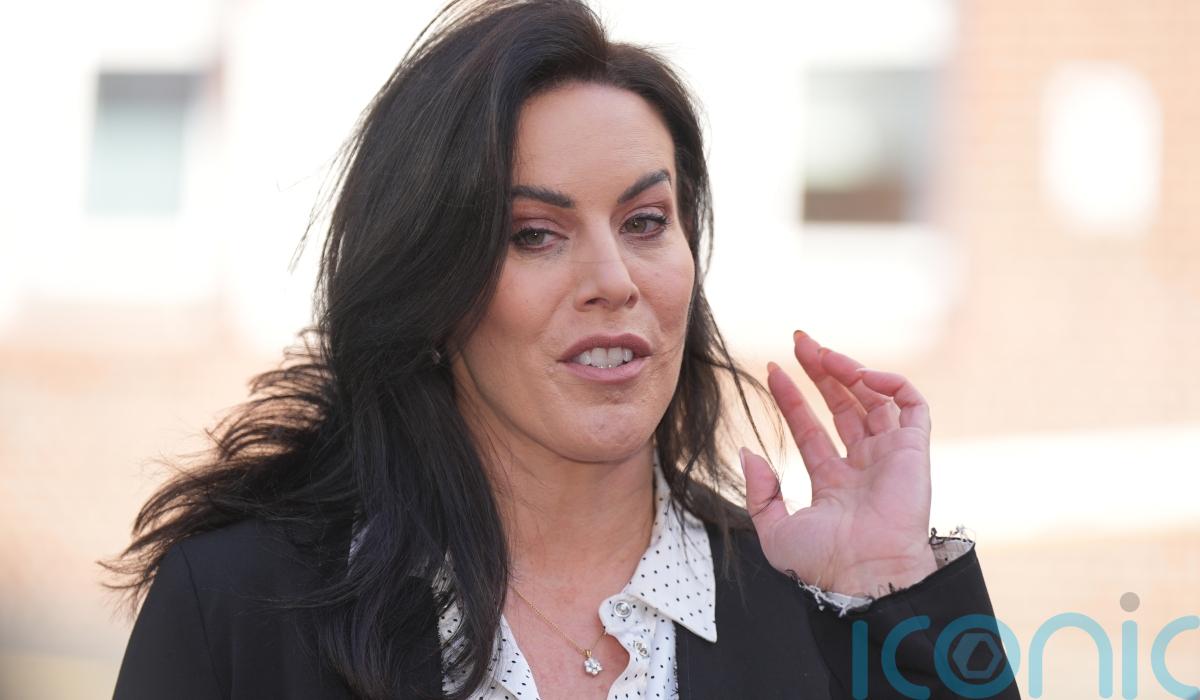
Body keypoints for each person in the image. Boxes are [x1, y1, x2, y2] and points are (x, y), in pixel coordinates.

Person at [107, 1, 1019, 698]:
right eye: (535, 234)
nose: (613, 280)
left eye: (646, 221)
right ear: (432, 282)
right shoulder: (238, 605)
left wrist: (891, 591)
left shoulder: (823, 605)